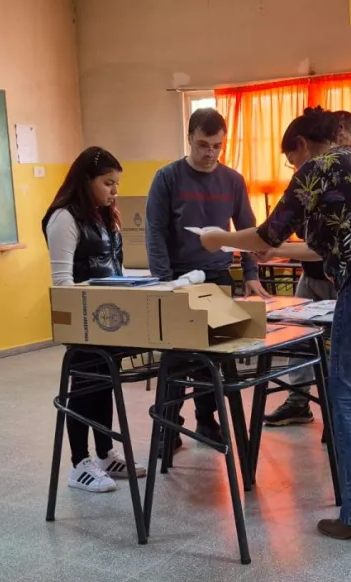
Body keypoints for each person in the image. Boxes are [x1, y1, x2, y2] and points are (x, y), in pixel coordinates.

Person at [200, 107, 351, 542]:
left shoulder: (317, 167)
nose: (294, 168)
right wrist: (278, 250)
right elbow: (339, 241)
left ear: (303, 146)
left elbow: (267, 235)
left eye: (292, 159)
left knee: (344, 394)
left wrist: (220, 239)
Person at [264, 109, 351, 427]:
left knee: (348, 372)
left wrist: (263, 246)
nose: (295, 168)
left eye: (293, 159)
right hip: (323, 275)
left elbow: (324, 242)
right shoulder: (331, 172)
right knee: (300, 339)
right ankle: (300, 401)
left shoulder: (341, 168)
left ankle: (346, 420)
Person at [145, 108, 270, 443]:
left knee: (214, 357)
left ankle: (207, 420)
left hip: (218, 276)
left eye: (216, 145)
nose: (209, 153)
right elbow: (154, 231)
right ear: (189, 138)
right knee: (177, 358)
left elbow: (247, 229)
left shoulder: (232, 180)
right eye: (202, 144)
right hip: (179, 278)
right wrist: (164, 280)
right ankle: (169, 429)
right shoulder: (167, 177)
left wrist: (250, 272)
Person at [43, 146, 147, 492]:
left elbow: (114, 269)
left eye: (116, 184)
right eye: (108, 183)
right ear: (85, 181)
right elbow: (63, 283)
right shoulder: (63, 218)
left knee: (105, 386)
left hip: (110, 321)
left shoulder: (105, 217)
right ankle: (79, 464)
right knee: (84, 390)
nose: (114, 191)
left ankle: (104, 453)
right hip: (85, 323)